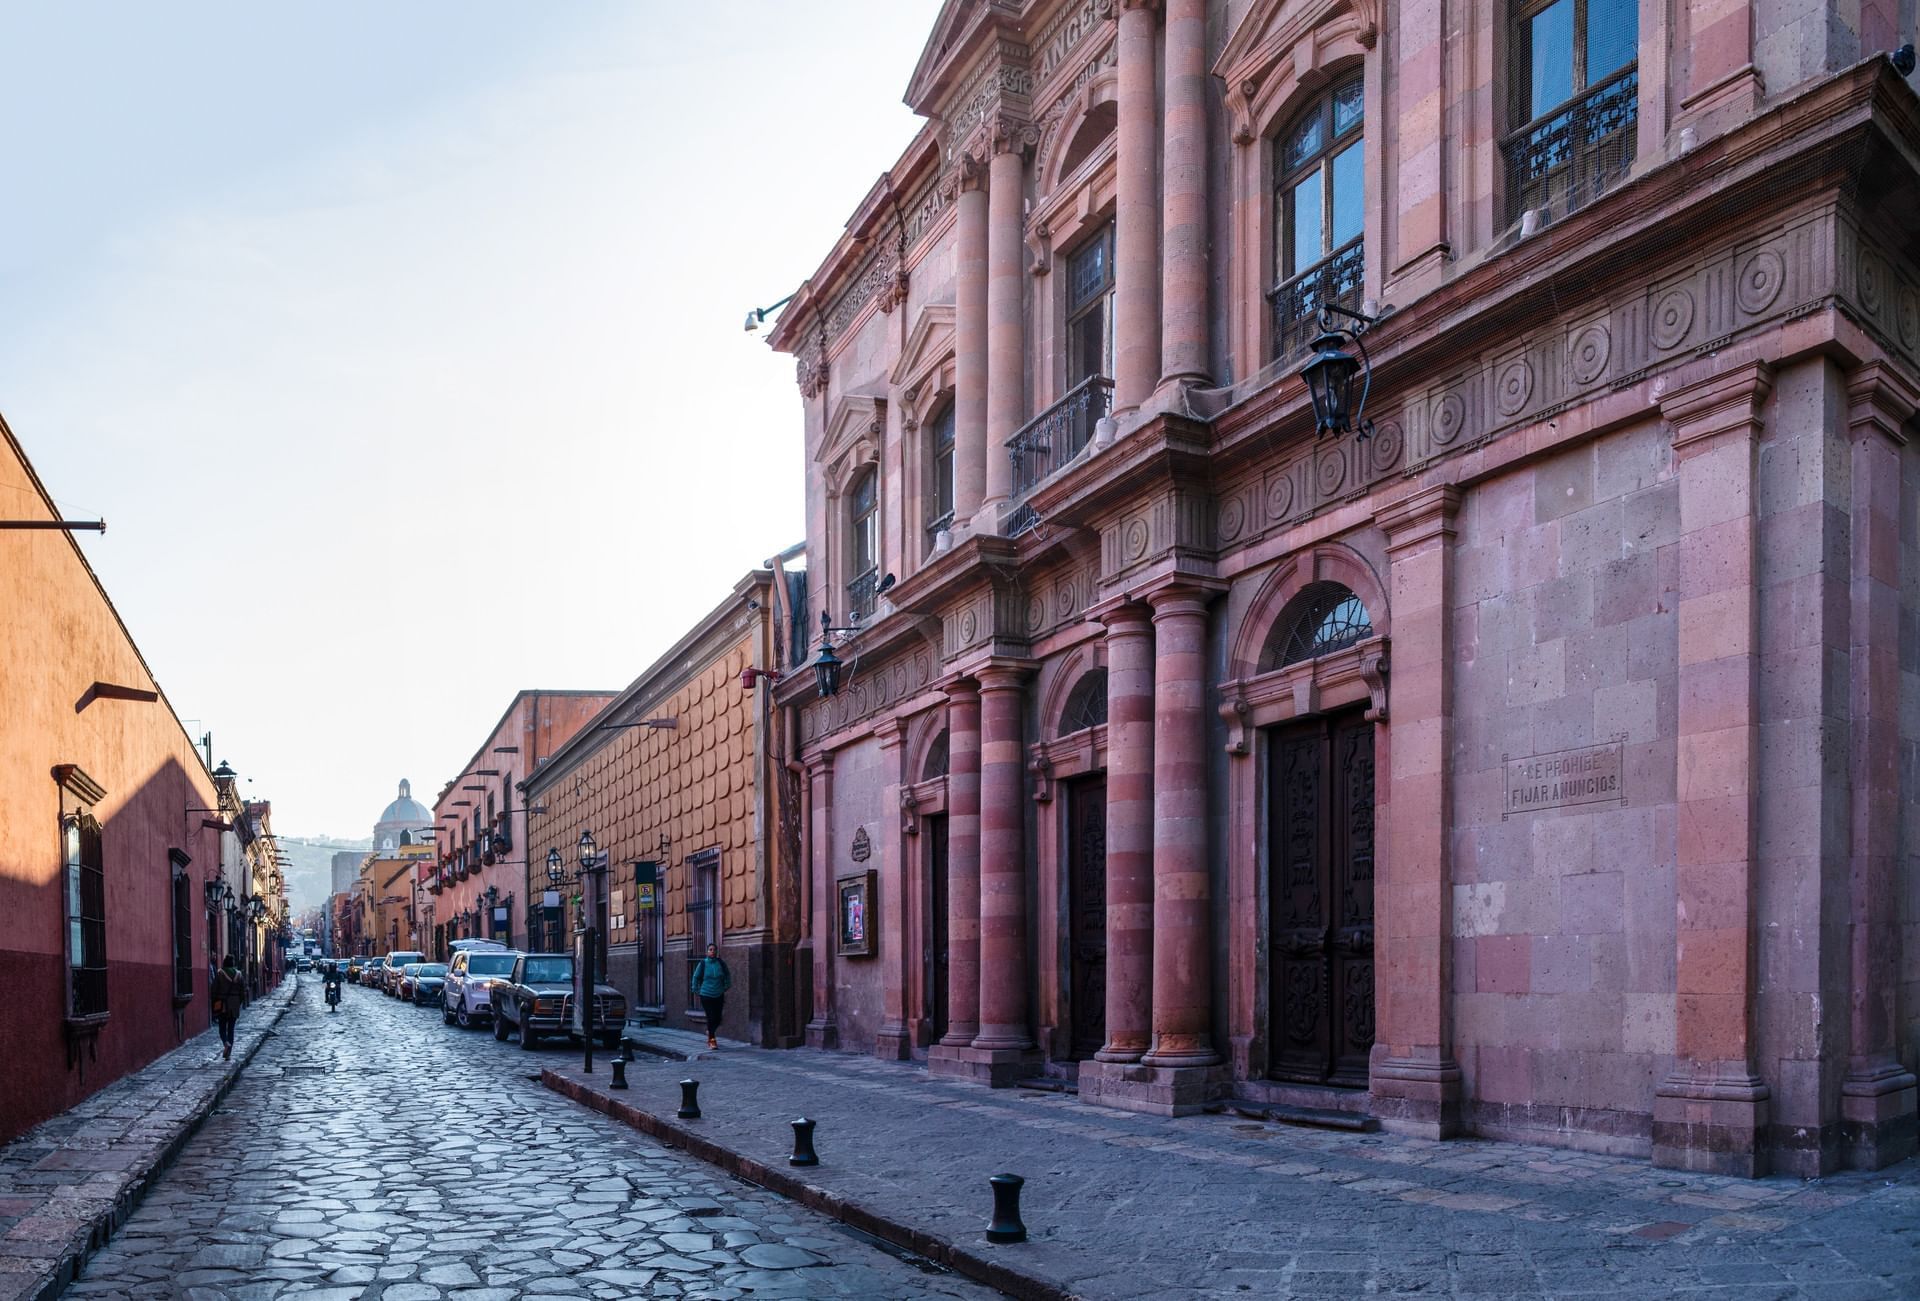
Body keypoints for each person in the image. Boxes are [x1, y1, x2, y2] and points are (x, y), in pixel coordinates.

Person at [690, 942, 731, 1050]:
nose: (712, 951)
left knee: (718, 1018)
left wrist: (727, 985)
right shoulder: (703, 964)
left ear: (717, 952)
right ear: (707, 952)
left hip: (719, 994)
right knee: (711, 1017)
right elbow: (696, 977)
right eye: (710, 950)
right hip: (706, 994)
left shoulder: (721, 963)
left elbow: (727, 975)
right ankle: (712, 1040)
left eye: (714, 950)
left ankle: (710, 1030)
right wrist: (696, 989)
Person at [211, 954, 246, 1061]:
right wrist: (239, 1002)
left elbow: (214, 990)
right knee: (231, 1028)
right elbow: (242, 992)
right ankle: (229, 1052)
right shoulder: (239, 974)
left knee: (222, 1027)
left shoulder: (220, 973)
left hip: (222, 1004)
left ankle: (226, 1043)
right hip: (234, 1004)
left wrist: (214, 1003)